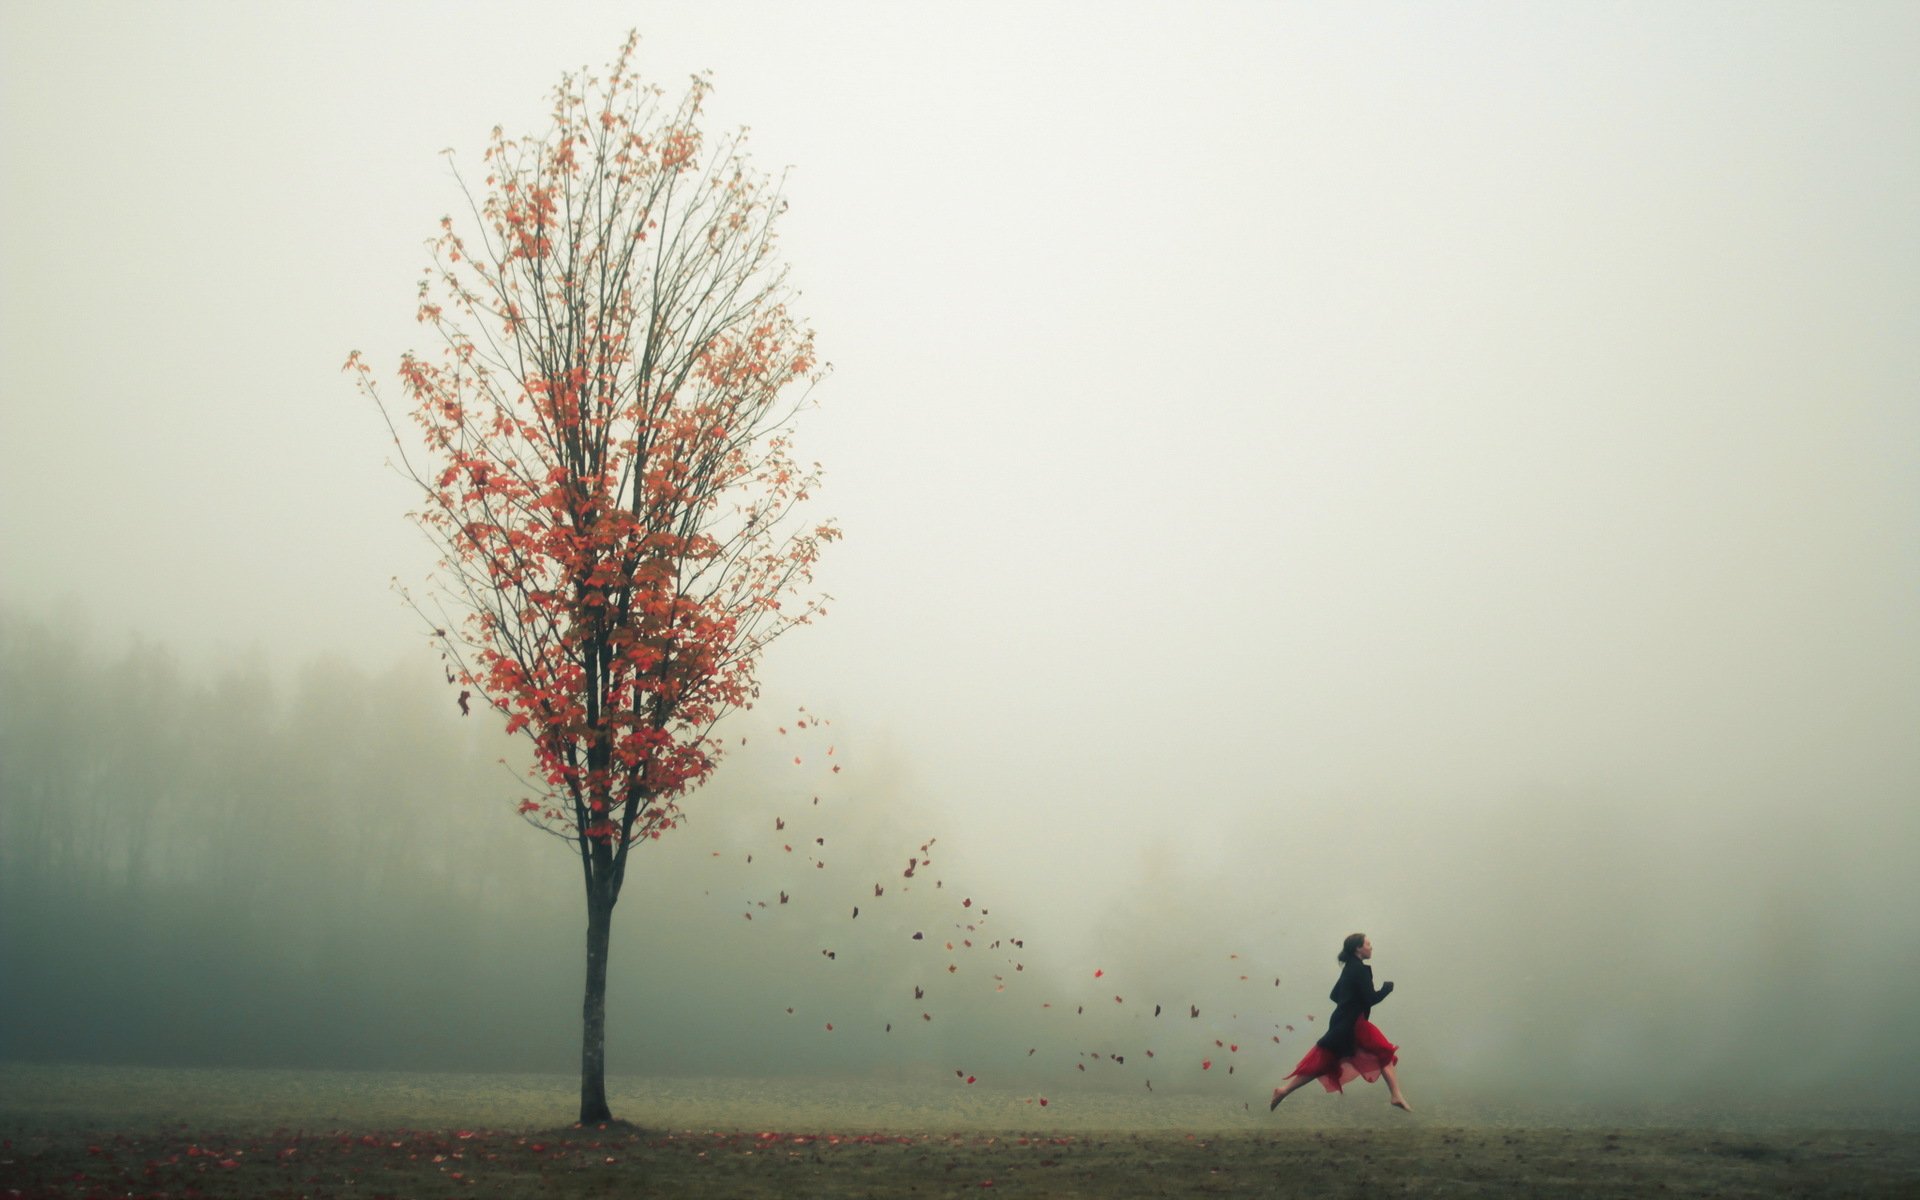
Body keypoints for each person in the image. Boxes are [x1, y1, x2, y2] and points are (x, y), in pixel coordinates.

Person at [1269, 932, 1410, 1111]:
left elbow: (1335, 995)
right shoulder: (1358, 969)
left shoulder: (1350, 968)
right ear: (1358, 948)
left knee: (1324, 1061)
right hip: (1353, 1024)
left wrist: (1349, 1003)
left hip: (1344, 1021)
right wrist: (1385, 989)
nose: (1371, 947)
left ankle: (1283, 1091)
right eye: (1368, 944)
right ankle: (1396, 1095)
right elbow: (1369, 999)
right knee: (1383, 1052)